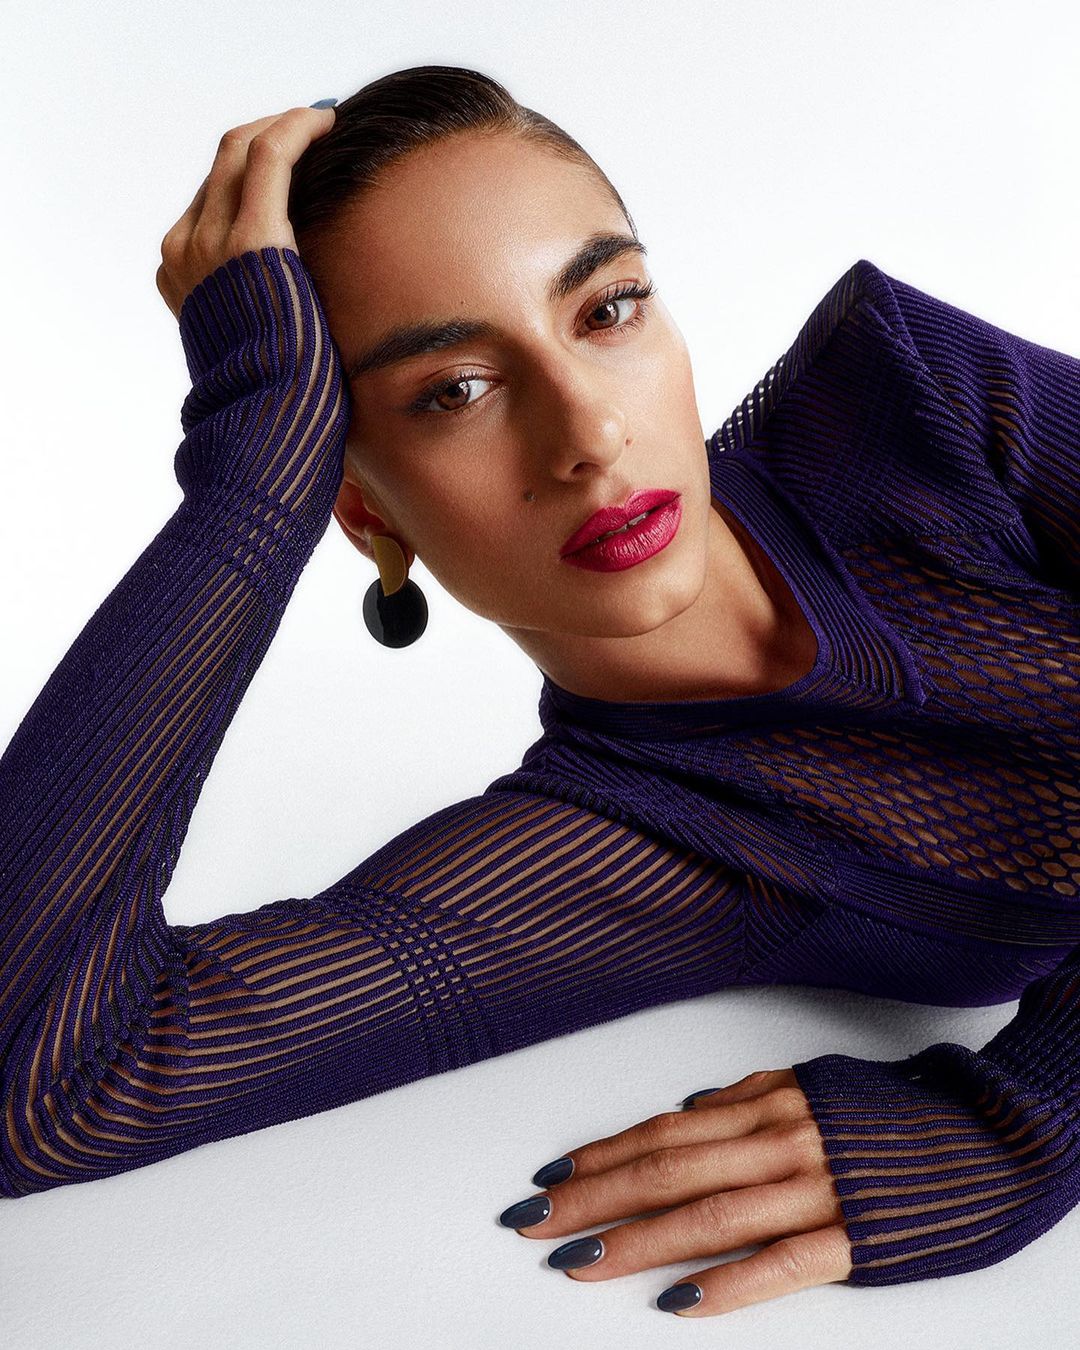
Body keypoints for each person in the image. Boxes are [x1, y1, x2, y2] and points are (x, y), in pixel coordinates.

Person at [0, 63, 1077, 1320]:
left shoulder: (918, 401)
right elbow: (43, 1085)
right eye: (453, 391)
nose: (590, 436)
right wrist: (249, 479)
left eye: (608, 309)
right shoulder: (612, 850)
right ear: (362, 513)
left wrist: (1035, 1109)